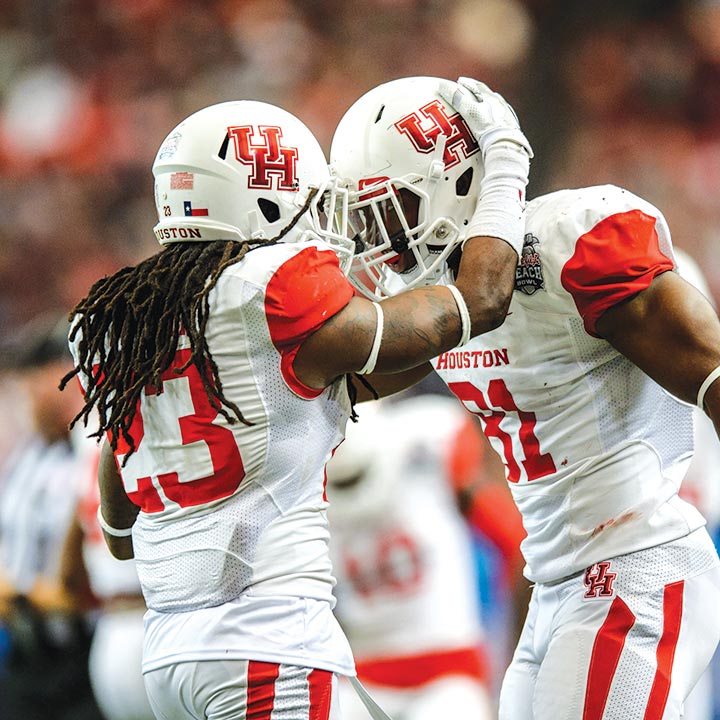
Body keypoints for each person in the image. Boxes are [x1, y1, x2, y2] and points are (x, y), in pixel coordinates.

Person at [59, 95, 530, 719]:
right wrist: (503, 166)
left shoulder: (123, 320)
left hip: (166, 656)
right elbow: (478, 301)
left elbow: (120, 533)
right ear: (261, 196)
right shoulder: (272, 286)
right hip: (268, 647)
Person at [328, 75, 720, 720]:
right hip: (559, 586)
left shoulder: (569, 238)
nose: (374, 237)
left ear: (451, 184)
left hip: (634, 567)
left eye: (387, 209)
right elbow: (331, 380)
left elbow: (712, 373)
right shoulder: (445, 304)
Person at [326, 393, 526, 720]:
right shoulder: (306, 494)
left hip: (447, 672)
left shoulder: (429, 449)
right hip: (363, 674)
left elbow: (513, 543)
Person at [0, 313, 104, 720]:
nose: (27, 403)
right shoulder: (26, 458)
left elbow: (83, 577)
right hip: (25, 655)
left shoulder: (89, 455)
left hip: (79, 652)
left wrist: (27, 595)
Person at [59, 447, 154, 720]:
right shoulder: (144, 430)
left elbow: (68, 574)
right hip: (152, 619)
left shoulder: (89, 446)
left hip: (109, 631)